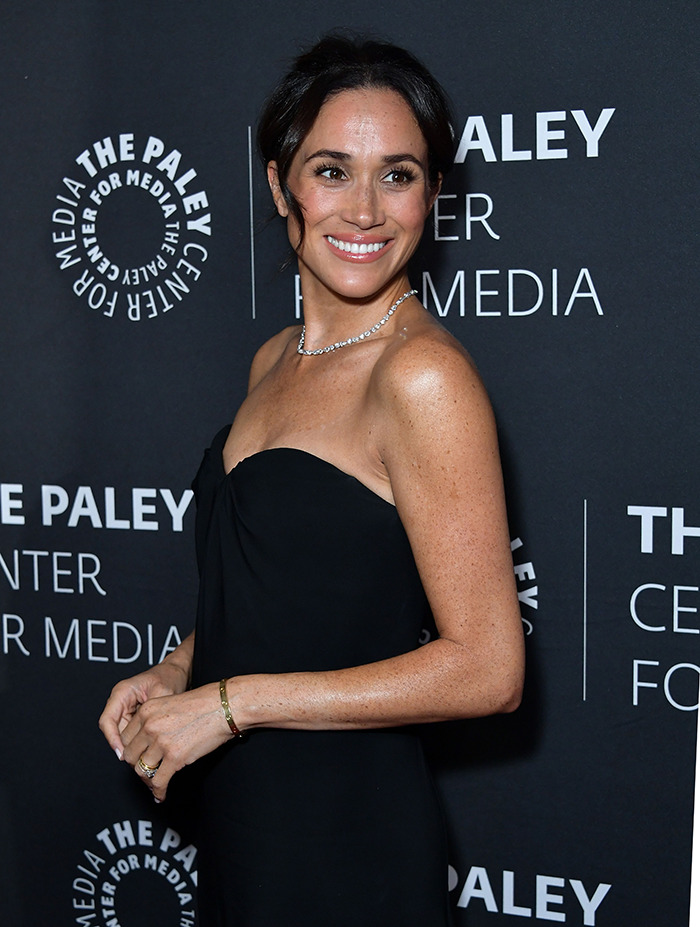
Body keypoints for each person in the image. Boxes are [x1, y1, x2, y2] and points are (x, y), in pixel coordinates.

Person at [99, 34, 525, 927]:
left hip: (348, 837)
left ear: (432, 194)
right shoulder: (274, 359)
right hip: (247, 819)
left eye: (399, 175)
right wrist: (180, 669)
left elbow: (489, 669)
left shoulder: (422, 376)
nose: (365, 210)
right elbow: (294, 594)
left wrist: (232, 705)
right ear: (279, 184)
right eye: (332, 170)